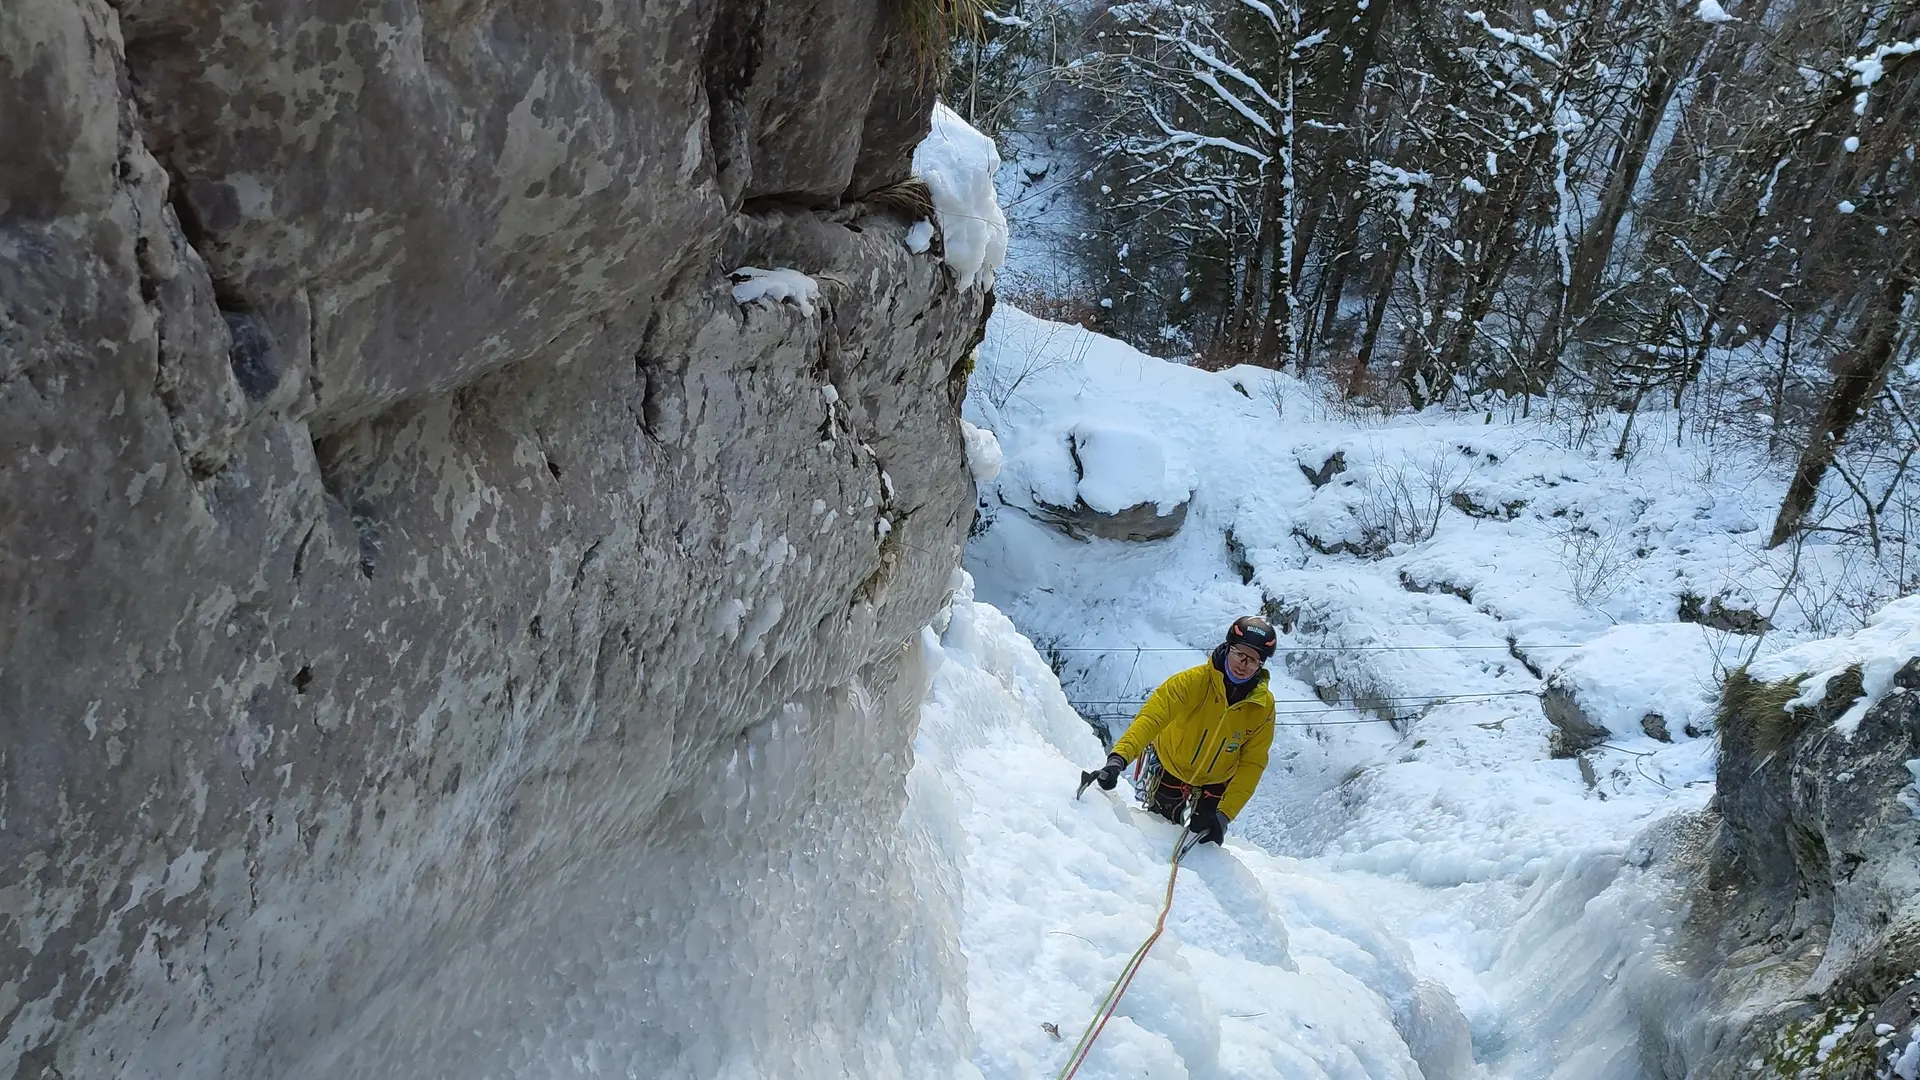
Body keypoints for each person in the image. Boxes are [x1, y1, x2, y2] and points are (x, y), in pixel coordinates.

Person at [1083, 616, 1278, 846]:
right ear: (1227, 648)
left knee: (1199, 845)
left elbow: (1252, 763)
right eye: (1239, 654)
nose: (1243, 665)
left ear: (1260, 666)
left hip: (1216, 783)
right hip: (1171, 768)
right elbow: (1152, 718)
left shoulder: (1262, 707)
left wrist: (1224, 815)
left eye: (1253, 660)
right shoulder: (1192, 682)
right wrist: (1118, 759)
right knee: (1157, 839)